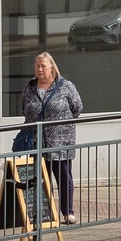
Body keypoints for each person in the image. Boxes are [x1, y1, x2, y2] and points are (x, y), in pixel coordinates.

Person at [23, 51, 83, 224]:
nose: (39, 69)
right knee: (39, 178)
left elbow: (77, 108)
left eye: (43, 66)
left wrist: (61, 125)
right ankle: (42, 213)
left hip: (60, 141)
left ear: (52, 68)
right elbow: (24, 109)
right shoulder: (30, 88)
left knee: (64, 177)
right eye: (37, 66)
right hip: (37, 141)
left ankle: (68, 211)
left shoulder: (66, 86)